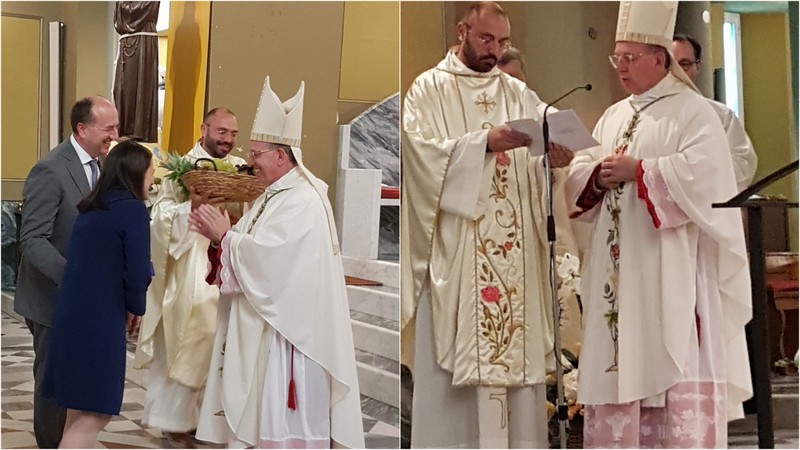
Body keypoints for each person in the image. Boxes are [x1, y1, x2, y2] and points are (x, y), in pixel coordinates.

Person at [566, 2, 752, 447]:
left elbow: (710, 176)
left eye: (630, 58)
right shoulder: (614, 115)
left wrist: (642, 171)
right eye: (616, 57)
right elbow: (580, 168)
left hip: (671, 269)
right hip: (619, 275)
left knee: (671, 362)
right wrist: (597, 176)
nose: (621, 67)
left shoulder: (693, 112)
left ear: (658, 59)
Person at [401, 2, 574, 447]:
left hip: (515, 257)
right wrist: (483, 143)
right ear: (462, 31)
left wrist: (552, 160)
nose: (494, 50)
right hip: (460, 254)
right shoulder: (428, 89)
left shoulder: (518, 94)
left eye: (501, 42)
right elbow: (420, 157)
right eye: (486, 39)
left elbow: (539, 155)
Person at [189, 76, 364, 448]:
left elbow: (272, 264)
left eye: (257, 155)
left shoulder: (303, 200)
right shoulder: (276, 193)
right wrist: (220, 238)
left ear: (281, 156)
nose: (250, 162)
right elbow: (255, 247)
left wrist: (226, 237)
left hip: (289, 337)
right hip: (270, 328)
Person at [135, 107, 246, 445]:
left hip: (228, 265)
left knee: (222, 343)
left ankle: (207, 420)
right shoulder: (180, 169)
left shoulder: (240, 169)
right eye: (221, 131)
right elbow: (159, 215)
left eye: (232, 134)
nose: (227, 139)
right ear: (204, 129)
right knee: (189, 336)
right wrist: (190, 208)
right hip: (191, 267)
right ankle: (175, 421)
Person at [15, 96, 119, 448]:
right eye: (108, 128)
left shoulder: (104, 166)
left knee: (78, 380)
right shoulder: (50, 169)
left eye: (116, 127)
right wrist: (75, 279)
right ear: (82, 129)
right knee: (53, 384)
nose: (114, 135)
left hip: (89, 300)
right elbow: (33, 239)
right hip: (53, 298)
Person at [40, 139, 154, 448]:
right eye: (151, 171)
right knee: (95, 415)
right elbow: (137, 271)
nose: (153, 179)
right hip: (100, 320)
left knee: (77, 412)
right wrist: (137, 307)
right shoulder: (132, 209)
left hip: (72, 316)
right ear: (136, 172)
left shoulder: (93, 207)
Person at [672, 33, 758, 191]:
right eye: (670, 64)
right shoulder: (644, 114)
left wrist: (692, 172)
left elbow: (743, 164)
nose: (676, 72)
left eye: (684, 64)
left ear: (697, 67)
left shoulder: (721, 116)